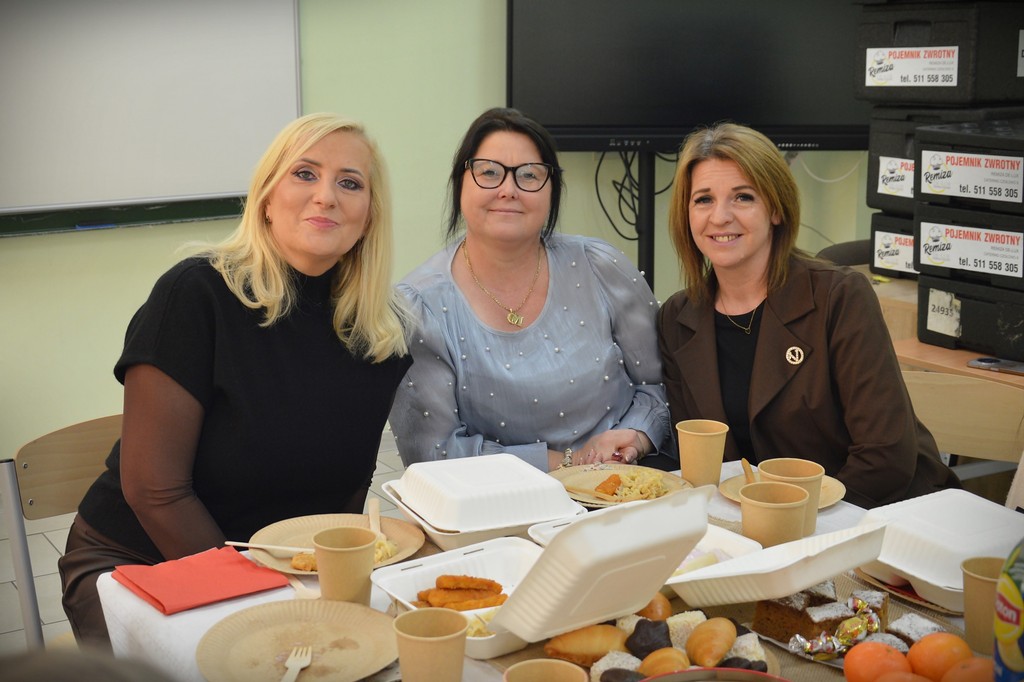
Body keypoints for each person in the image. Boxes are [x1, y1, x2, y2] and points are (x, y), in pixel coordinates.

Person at [59, 113, 412, 648]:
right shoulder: (196, 294)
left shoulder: (381, 332)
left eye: (350, 183)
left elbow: (343, 495)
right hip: (141, 560)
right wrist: (256, 601)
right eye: (305, 174)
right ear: (266, 198)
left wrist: (315, 586)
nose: (326, 196)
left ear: (369, 216)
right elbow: (155, 491)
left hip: (281, 571)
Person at [657, 122, 960, 509]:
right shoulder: (676, 319)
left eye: (743, 197)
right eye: (703, 200)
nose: (720, 217)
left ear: (776, 209)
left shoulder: (840, 297)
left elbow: (885, 457)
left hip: (879, 510)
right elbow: (703, 464)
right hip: (759, 520)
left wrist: (799, 525)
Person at [388, 107, 671, 473]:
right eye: (489, 172)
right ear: (460, 184)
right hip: (495, 500)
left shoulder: (600, 266)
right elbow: (434, 452)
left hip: (626, 480)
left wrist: (635, 437)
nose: (508, 190)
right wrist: (570, 464)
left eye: (529, 175)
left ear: (552, 190)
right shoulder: (418, 306)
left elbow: (661, 385)